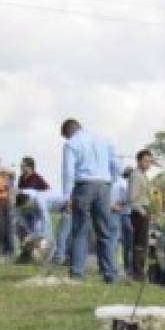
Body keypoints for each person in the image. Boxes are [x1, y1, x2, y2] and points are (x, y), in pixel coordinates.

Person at [60, 118, 120, 282]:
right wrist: (110, 180)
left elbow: (68, 172)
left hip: (84, 185)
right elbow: (116, 163)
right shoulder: (103, 139)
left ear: (68, 132)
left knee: (80, 230)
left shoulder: (71, 143)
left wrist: (67, 196)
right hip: (104, 185)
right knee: (105, 231)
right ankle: (110, 273)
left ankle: (78, 272)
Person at [127, 149, 154, 281]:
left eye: (150, 161)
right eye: (146, 161)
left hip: (145, 210)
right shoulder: (136, 175)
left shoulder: (144, 176)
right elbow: (132, 198)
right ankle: (137, 273)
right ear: (139, 161)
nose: (148, 164)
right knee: (139, 245)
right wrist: (142, 212)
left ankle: (140, 272)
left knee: (143, 244)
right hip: (139, 212)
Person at [12, 192, 47, 262]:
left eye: (24, 207)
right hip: (30, 220)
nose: (23, 209)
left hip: (40, 221)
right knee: (21, 229)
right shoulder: (20, 209)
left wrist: (41, 235)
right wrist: (27, 235)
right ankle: (27, 255)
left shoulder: (38, 202)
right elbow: (20, 220)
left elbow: (44, 219)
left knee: (39, 236)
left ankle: (42, 254)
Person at [111, 168, 134, 276]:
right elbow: (127, 199)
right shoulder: (126, 185)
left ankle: (111, 265)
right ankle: (127, 268)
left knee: (114, 241)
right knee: (128, 244)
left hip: (114, 213)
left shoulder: (115, 183)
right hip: (126, 215)